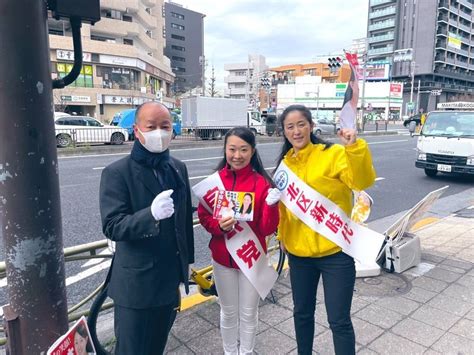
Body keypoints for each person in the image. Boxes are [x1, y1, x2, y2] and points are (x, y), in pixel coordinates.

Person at [275, 105, 376, 355]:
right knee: (302, 314)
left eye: (301, 124)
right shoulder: (285, 165)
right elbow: (283, 210)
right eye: (290, 126)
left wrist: (354, 147)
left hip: (336, 252)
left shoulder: (333, 154)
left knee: (339, 320)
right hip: (299, 256)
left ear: (310, 125)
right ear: (284, 132)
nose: (296, 131)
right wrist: (282, 238)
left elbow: (361, 182)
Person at [99, 102, 194, 355]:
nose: (159, 133)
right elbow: (112, 226)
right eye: (151, 127)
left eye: (165, 126)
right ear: (136, 130)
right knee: (131, 350)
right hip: (136, 286)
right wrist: (149, 215)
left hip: (169, 281)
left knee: (156, 347)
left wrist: (186, 264)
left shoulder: (177, 167)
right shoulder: (117, 173)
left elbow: (183, 220)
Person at [197, 127, 281, 355]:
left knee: (248, 312)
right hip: (223, 259)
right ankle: (229, 352)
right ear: (224, 149)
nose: (237, 155)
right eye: (232, 149)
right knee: (228, 311)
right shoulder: (214, 183)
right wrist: (218, 226)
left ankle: (245, 352)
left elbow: (267, 228)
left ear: (252, 151)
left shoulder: (262, 183)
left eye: (244, 149)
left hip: (251, 258)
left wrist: (273, 206)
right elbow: (204, 216)